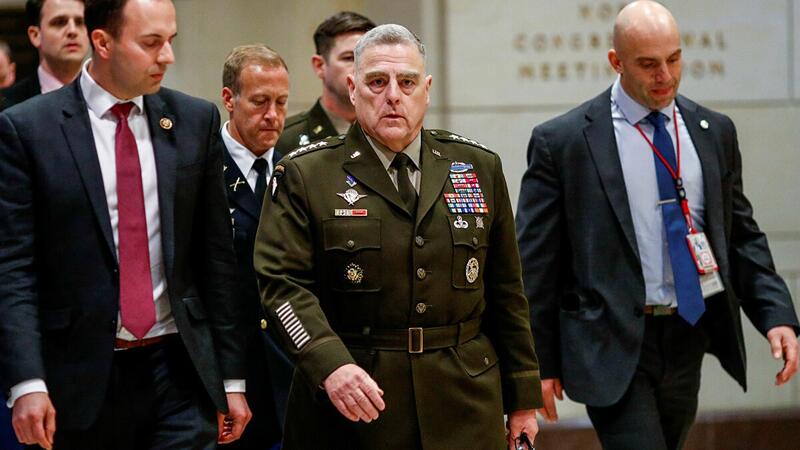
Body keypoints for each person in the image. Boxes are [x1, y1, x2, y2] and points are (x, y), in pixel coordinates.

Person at [515, 2, 800, 449]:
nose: (665, 75)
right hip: (609, 341)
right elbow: (534, 265)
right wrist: (536, 363)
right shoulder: (565, 142)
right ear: (616, 61)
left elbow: (740, 235)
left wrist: (776, 314)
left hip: (687, 331)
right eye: (648, 64)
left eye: (674, 59)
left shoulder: (713, 131)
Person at [255, 23, 542, 450]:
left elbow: (506, 292)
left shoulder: (477, 166)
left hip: (465, 400)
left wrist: (523, 398)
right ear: (353, 89)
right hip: (354, 403)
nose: (393, 95)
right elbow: (281, 287)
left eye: (407, 82)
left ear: (426, 89)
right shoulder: (306, 175)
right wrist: (328, 363)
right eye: (377, 82)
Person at [0, 1, 251, 449]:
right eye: (151, 43)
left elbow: (216, 259)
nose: (166, 56)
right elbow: (13, 268)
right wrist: (27, 381)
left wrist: (231, 379)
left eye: (170, 41)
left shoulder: (196, 120)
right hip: (78, 376)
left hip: (178, 370)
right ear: (102, 42)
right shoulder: (28, 128)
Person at [219, 43, 294, 450]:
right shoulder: (200, 167)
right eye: (260, 101)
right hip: (230, 366)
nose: (272, 115)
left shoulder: (296, 169)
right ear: (229, 99)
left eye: (281, 102)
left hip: (290, 367)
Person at [273, 11, 375, 154]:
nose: (360, 68)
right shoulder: (283, 140)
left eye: (367, 59)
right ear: (319, 65)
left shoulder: (390, 133)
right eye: (348, 58)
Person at [0, 0, 89, 110]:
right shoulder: (6, 105)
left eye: (80, 22)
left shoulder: (105, 95)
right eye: (60, 22)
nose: (72, 31)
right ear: (35, 35)